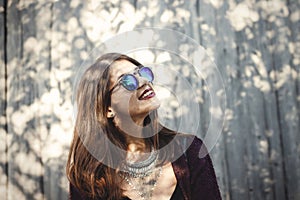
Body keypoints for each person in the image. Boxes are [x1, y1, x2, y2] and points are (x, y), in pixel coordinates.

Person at [66, 53, 222, 200]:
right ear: (108, 109)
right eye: (127, 81)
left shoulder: (189, 150)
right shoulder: (89, 177)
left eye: (142, 73)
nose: (143, 81)